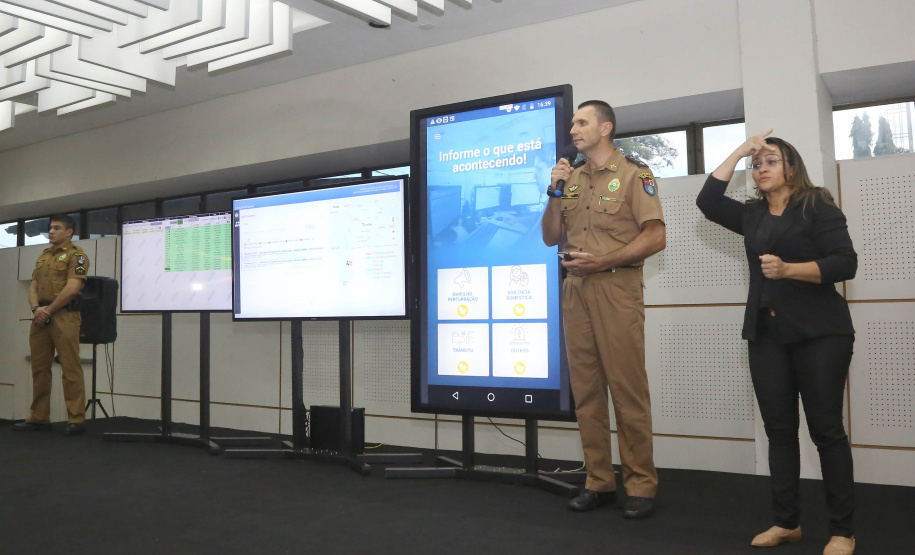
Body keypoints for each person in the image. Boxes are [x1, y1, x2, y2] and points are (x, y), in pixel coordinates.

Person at [697, 130, 857, 555]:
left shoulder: (816, 204)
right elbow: (708, 202)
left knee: (826, 431)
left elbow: (846, 262)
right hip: (767, 335)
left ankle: (843, 530)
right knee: (779, 433)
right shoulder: (752, 214)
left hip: (821, 333)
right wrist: (739, 150)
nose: (761, 168)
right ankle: (787, 523)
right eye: (757, 163)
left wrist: (789, 270)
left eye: (770, 160)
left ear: (791, 166)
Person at [541, 100, 666, 519]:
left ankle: (641, 484)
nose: (573, 129)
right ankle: (599, 480)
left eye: (582, 122)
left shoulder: (634, 173)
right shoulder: (570, 177)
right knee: (587, 393)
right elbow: (549, 237)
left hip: (616, 287)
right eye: (573, 123)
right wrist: (554, 191)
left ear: (606, 127)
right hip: (576, 292)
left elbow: (656, 236)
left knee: (627, 390)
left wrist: (608, 259)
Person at [13, 215, 91, 437]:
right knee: (39, 368)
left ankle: (76, 419)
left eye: (57, 228)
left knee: (70, 367)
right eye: (50, 228)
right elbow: (33, 286)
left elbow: (73, 288)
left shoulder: (77, 256)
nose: (51, 231)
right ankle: (39, 417)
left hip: (64, 315)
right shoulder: (44, 256)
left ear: (69, 232)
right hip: (40, 317)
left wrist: (49, 310)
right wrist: (36, 309)